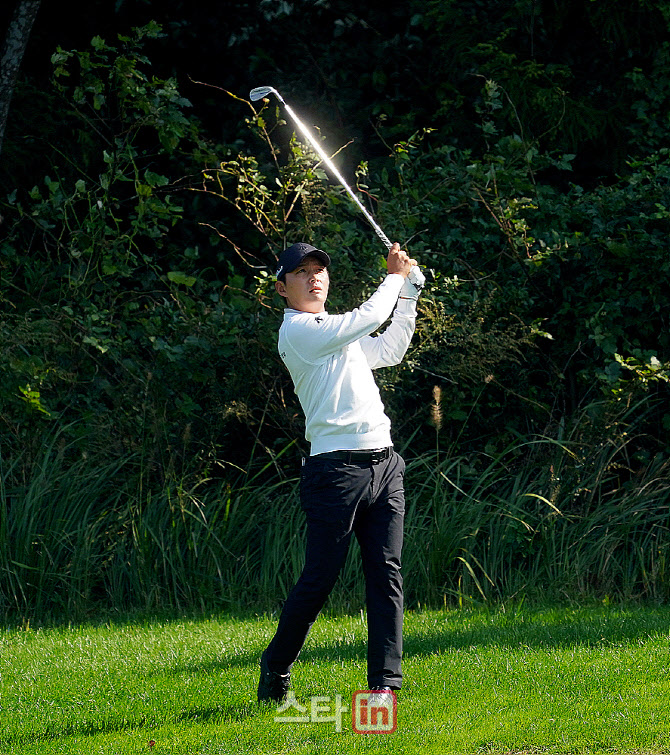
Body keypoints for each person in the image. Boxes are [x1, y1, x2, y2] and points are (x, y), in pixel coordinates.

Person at [257, 240, 424, 703]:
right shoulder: (299, 333)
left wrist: (408, 297)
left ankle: (384, 686)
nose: (314, 278)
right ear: (281, 287)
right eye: (302, 272)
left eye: (320, 270)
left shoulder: (336, 333)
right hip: (335, 472)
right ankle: (276, 664)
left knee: (386, 573)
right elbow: (367, 319)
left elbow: (388, 348)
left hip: (385, 463)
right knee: (320, 577)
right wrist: (393, 277)